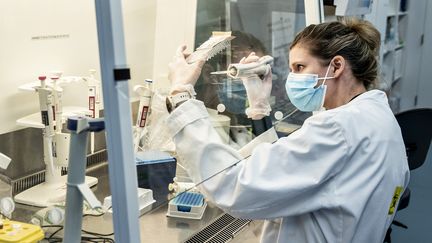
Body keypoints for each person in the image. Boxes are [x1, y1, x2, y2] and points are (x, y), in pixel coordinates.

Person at [165, 18, 410, 243]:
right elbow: (287, 171)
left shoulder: (337, 129)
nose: (292, 78)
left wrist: (181, 96)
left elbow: (235, 187)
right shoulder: (378, 117)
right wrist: (259, 110)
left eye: (300, 67)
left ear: (336, 66)